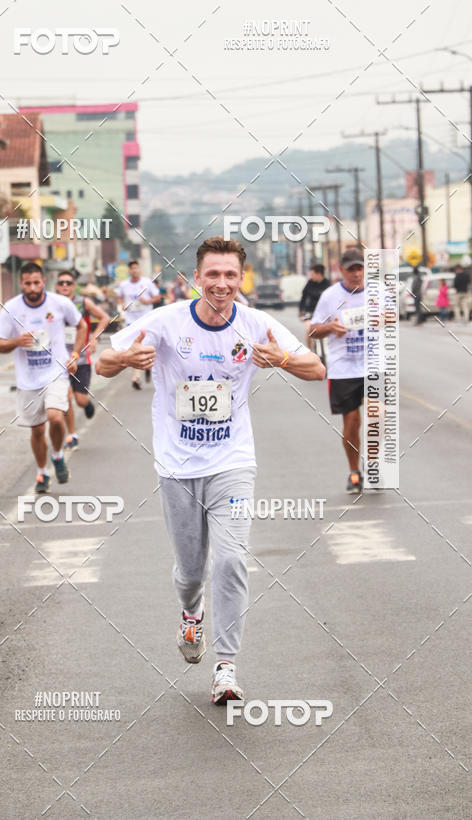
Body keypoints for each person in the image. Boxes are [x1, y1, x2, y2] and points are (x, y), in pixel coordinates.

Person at [96, 236, 324, 704]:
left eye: (230, 275)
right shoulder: (165, 321)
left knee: (232, 559)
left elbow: (316, 368)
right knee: (191, 571)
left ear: (242, 279)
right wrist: (125, 359)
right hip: (177, 466)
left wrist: (279, 359)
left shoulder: (256, 323)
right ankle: (190, 612)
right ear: (196, 278)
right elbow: (100, 363)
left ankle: (226, 666)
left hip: (233, 463)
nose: (222, 284)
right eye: (213, 275)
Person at [0, 262, 86, 494]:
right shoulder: (11, 308)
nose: (32, 288)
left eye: (36, 282)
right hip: (28, 379)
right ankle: (42, 472)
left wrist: (75, 355)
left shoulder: (60, 303)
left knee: (55, 417)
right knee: (36, 431)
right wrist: (16, 342)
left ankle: (57, 456)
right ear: (21, 283)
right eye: (27, 283)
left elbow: (82, 326)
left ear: (44, 282)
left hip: (56, 372)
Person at [308, 247, 366, 494]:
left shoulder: (378, 293)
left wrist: (385, 318)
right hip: (343, 368)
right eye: (351, 269)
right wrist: (331, 327)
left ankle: (376, 464)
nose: (356, 273)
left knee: (380, 417)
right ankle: (354, 472)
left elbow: (392, 317)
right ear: (341, 270)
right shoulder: (331, 296)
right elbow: (313, 330)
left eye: (359, 268)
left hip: (375, 363)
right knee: (352, 421)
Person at [54, 269, 111, 450]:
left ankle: (87, 404)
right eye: (61, 282)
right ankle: (72, 435)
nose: (65, 286)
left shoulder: (83, 302)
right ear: (56, 286)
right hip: (59, 361)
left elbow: (104, 317)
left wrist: (94, 337)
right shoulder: (51, 304)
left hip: (81, 359)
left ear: (74, 286)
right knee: (66, 397)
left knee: (79, 399)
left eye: (68, 283)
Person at [116, 260, 161, 389]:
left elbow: (158, 298)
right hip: (131, 320)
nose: (134, 270)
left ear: (139, 270)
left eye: (136, 268)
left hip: (146, 319)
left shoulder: (147, 283)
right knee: (133, 347)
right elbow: (119, 297)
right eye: (132, 268)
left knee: (147, 346)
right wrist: (122, 305)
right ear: (129, 271)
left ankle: (147, 366)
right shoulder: (124, 285)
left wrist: (147, 301)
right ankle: (136, 377)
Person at [299, 264, 330, 356]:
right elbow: (303, 298)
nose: (311, 276)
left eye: (312, 274)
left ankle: (327, 351)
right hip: (310, 312)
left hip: (324, 313)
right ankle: (310, 352)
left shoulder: (327, 285)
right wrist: (301, 311)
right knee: (309, 330)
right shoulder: (309, 283)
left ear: (319, 274)